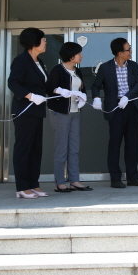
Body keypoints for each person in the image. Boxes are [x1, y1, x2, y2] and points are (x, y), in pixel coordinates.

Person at [91, 38, 138, 188]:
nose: (131, 52)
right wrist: (96, 98)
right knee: (115, 143)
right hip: (115, 108)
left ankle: (133, 177)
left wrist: (127, 97)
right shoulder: (105, 67)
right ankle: (115, 179)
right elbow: (96, 86)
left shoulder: (133, 66)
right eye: (128, 50)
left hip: (131, 106)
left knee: (132, 143)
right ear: (120, 53)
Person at [46, 42, 92, 193]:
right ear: (71, 55)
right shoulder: (58, 70)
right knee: (61, 148)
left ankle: (74, 180)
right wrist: (60, 90)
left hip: (75, 113)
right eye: (79, 53)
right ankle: (60, 182)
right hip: (60, 113)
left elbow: (82, 88)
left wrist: (82, 97)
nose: (81, 56)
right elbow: (49, 88)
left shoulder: (77, 71)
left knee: (74, 147)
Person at [8, 27, 48, 199]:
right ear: (34, 41)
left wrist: (61, 91)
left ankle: (33, 184)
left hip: (37, 111)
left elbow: (44, 85)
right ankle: (22, 187)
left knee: (35, 149)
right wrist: (30, 96)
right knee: (24, 148)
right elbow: (13, 83)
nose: (45, 42)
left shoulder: (40, 62)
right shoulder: (21, 60)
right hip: (24, 111)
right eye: (43, 39)